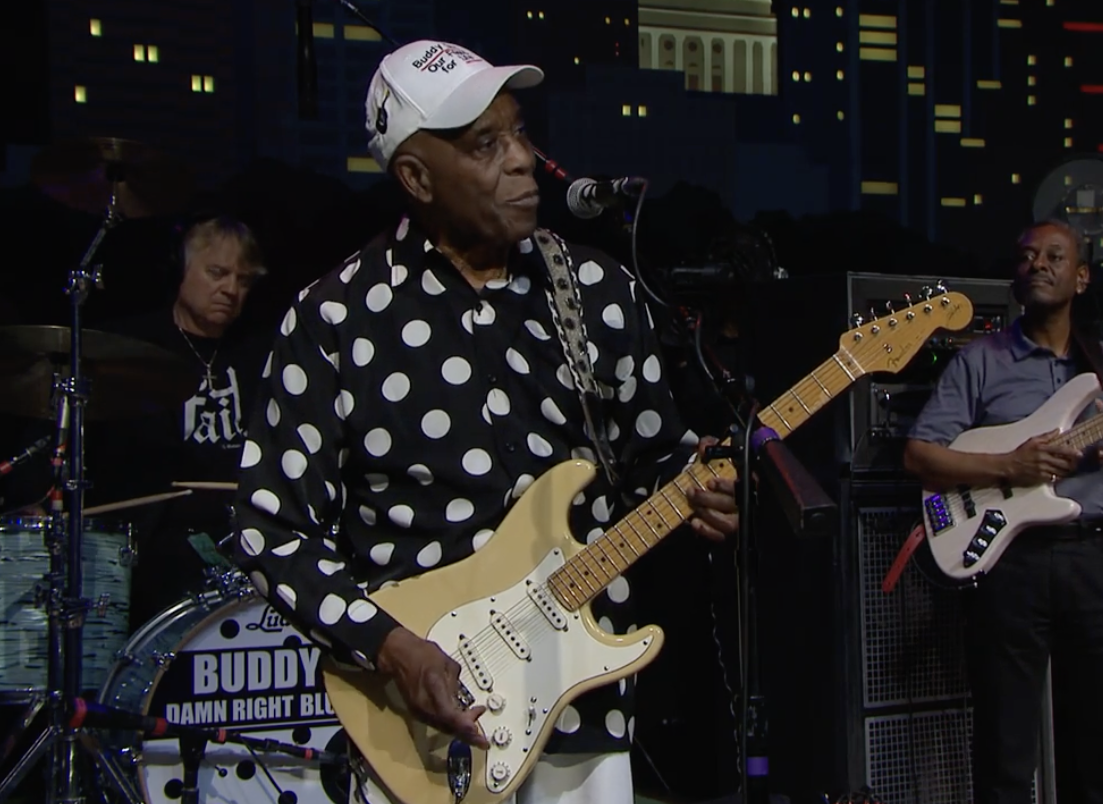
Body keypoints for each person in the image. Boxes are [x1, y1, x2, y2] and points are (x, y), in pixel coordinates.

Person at [229, 40, 739, 803]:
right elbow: (270, 529)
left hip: (582, 701)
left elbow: (652, 459)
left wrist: (699, 487)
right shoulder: (335, 318)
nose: (523, 159)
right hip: (422, 727)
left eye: (519, 132)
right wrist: (391, 648)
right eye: (484, 144)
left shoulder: (596, 289)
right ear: (416, 177)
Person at [902, 219, 1103, 804]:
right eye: (1026, 256)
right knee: (1005, 752)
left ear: (1082, 277)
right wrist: (1009, 466)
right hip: (1011, 565)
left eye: (1053, 256)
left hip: (1097, 561)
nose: (1038, 264)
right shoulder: (980, 361)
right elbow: (919, 455)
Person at [95, 212, 270, 629]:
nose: (231, 290)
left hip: (242, 536)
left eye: (244, 280)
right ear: (181, 270)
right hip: (157, 544)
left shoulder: (260, 352)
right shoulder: (133, 349)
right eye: (217, 273)